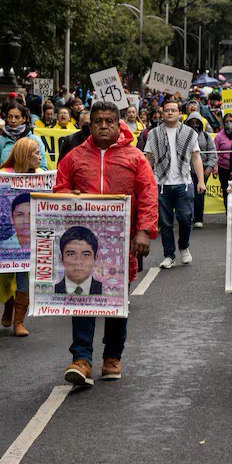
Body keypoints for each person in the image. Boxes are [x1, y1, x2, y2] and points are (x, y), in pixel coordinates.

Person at [54, 102, 156, 387]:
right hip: (81, 245)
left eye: (109, 121)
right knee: (82, 297)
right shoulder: (74, 157)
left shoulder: (135, 158)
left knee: (116, 301)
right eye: (98, 120)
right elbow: (58, 189)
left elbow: (148, 194)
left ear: (118, 124)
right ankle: (81, 358)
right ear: (90, 124)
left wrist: (145, 231)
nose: (103, 125)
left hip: (121, 245)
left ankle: (112, 357)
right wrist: (67, 195)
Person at [144, 98, 205, 269]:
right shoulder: (153, 134)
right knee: (165, 223)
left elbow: (196, 157)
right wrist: (146, 183)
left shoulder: (189, 133)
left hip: (184, 183)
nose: (170, 112)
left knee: (186, 219)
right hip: (161, 183)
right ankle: (169, 255)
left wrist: (200, 180)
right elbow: (148, 159)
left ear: (179, 113)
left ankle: (184, 247)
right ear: (162, 113)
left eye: (173, 110)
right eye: (167, 110)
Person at [0, 136, 43, 337]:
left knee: (25, 278)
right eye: (37, 154)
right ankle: (9, 304)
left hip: (30, 241)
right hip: (6, 243)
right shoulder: (1, 176)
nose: (40, 158)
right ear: (26, 155)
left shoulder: (41, 176)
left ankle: (19, 321)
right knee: (4, 280)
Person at [0, 104, 49, 171]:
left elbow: (43, 168)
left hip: (30, 181)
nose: (13, 120)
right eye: (10, 117)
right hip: (5, 180)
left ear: (24, 119)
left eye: (17, 117)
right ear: (6, 119)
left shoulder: (36, 140)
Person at [185, 111, 217, 229]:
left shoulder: (206, 136)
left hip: (203, 170)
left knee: (199, 195)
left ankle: (199, 218)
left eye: (196, 122)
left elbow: (213, 153)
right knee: (188, 195)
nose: (194, 125)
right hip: (187, 170)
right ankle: (189, 218)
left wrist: (209, 167)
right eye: (191, 122)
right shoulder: (183, 136)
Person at [53, 227, 104, 294]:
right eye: (71, 254)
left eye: (86, 255)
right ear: (61, 258)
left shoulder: (106, 290)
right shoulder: (50, 290)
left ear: (96, 258)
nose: (78, 261)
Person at [214, 113, 232, 209]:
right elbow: (215, 153)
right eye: (226, 122)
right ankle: (228, 214)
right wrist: (215, 168)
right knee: (226, 192)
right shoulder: (219, 137)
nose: (229, 123)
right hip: (223, 168)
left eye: (231, 121)